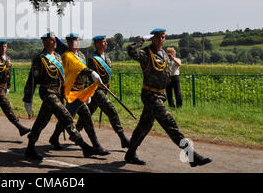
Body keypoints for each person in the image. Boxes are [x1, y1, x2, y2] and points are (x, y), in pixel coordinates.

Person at [124, 28, 212, 167]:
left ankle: (130, 154)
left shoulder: (164, 54)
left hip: (160, 94)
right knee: (170, 123)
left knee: (144, 126)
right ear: (152, 38)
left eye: (163, 37)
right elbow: (130, 51)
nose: (160, 39)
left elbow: (166, 72)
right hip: (150, 95)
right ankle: (191, 155)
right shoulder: (146, 53)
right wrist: (142, 40)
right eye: (157, 37)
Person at [23, 32, 98, 160]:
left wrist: (68, 94)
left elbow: (64, 78)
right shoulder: (40, 58)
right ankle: (84, 147)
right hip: (47, 92)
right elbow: (32, 79)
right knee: (66, 117)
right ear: (45, 42)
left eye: (55, 40)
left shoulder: (58, 57)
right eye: (52, 40)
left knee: (42, 120)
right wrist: (27, 99)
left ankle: (30, 148)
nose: (55, 42)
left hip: (58, 93)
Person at [48, 33, 109, 155]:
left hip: (80, 92)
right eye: (71, 41)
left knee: (83, 117)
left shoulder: (81, 55)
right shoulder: (66, 55)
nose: (74, 43)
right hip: (71, 92)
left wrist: (87, 92)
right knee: (68, 119)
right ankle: (91, 146)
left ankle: (95, 145)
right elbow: (80, 69)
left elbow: (84, 76)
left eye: (76, 41)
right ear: (68, 43)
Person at [75, 35, 130, 149]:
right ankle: (122, 138)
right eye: (102, 42)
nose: (105, 44)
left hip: (104, 89)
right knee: (111, 110)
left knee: (88, 113)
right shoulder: (91, 59)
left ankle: (74, 133)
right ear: (97, 44)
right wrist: (86, 92)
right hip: (95, 90)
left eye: (105, 42)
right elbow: (87, 75)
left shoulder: (107, 58)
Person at [0, 40, 31, 137]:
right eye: (1, 46)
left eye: (5, 46)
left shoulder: (7, 58)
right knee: (6, 106)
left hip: (3, 87)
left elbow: (9, 74)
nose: (3, 48)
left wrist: (8, 86)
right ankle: (19, 127)